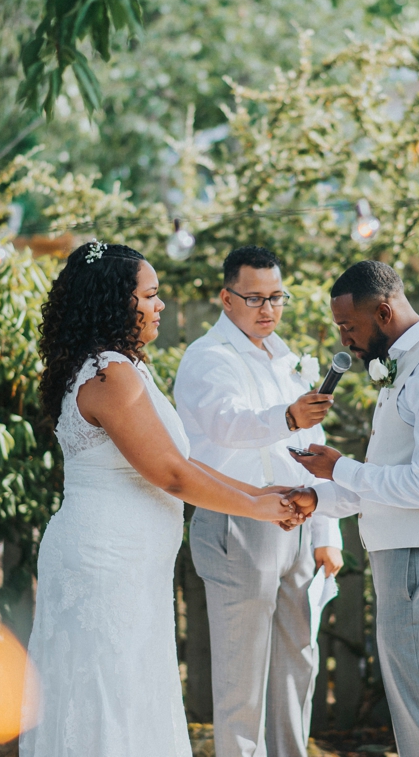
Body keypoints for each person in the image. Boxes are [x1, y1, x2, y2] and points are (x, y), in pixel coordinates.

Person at [20, 242, 304, 757]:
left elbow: (179, 459)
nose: (160, 305)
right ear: (116, 302)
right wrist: (256, 509)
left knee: (128, 694)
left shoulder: (116, 367)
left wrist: (257, 490)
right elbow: (170, 474)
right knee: (110, 697)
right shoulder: (110, 374)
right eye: (150, 295)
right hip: (106, 563)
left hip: (129, 564)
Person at [285, 260, 419, 757]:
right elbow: (390, 477)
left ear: (384, 312)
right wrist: (320, 497)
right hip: (405, 554)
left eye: (348, 327)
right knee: (415, 706)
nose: (345, 340)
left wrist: (341, 468)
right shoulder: (408, 363)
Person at [174, 245, 344, 757]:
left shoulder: (284, 355)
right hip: (238, 521)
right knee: (242, 672)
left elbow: (311, 446)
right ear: (226, 298)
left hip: (298, 520)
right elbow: (226, 425)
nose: (268, 309)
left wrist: (326, 531)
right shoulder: (208, 357)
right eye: (255, 298)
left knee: (299, 660)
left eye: (276, 297)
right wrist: (288, 416)